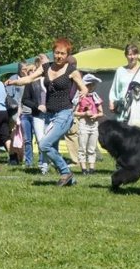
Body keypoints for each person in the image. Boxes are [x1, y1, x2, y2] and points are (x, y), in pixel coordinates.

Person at [7, 38, 88, 186]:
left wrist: (82, 93)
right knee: (50, 146)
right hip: (49, 115)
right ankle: (71, 180)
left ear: (67, 55)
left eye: (62, 54)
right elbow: (29, 78)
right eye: (56, 53)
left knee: (44, 145)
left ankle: (65, 172)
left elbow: (84, 87)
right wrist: (14, 82)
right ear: (53, 53)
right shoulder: (46, 67)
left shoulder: (72, 71)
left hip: (65, 113)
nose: (59, 56)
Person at [108, 44, 140, 124]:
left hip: (139, 110)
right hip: (123, 111)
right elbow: (114, 89)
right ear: (126, 56)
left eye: (134, 54)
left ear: (138, 55)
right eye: (130, 54)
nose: (132, 57)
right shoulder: (120, 71)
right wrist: (111, 101)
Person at [20, 55, 49, 171]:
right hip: (36, 114)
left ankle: (49, 164)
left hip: (51, 114)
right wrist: (37, 107)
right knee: (39, 140)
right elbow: (25, 99)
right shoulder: (31, 82)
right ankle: (42, 165)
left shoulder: (51, 80)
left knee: (48, 141)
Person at [75, 73, 103, 175]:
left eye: (92, 85)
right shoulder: (79, 97)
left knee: (92, 147)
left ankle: (91, 168)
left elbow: (101, 112)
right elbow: (74, 112)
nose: (90, 87)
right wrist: (85, 113)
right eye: (88, 85)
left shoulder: (95, 96)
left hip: (94, 124)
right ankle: (83, 169)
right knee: (82, 147)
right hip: (83, 123)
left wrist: (96, 115)